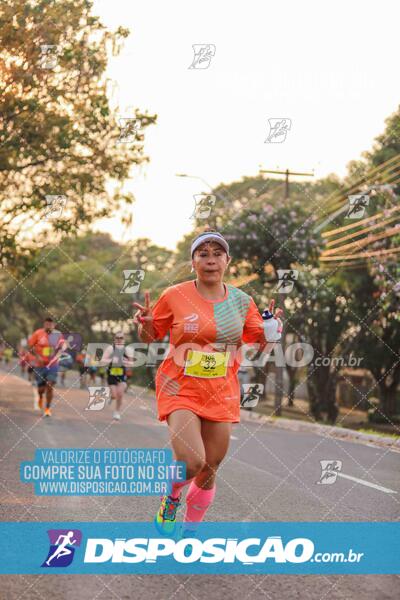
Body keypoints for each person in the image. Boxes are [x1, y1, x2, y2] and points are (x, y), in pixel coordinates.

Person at [133, 231, 283, 536]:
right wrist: (146, 326)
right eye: (203, 253)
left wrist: (273, 329)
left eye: (217, 253)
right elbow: (150, 338)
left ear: (227, 261)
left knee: (210, 468)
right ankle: (172, 497)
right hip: (180, 387)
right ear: (193, 262)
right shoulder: (175, 295)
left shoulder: (242, 302)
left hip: (220, 391)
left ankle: (190, 532)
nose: (210, 259)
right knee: (191, 461)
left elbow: (263, 344)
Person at [28, 317, 67, 417]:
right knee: (41, 389)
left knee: (50, 386)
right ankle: (40, 397)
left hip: (52, 365)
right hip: (40, 365)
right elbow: (31, 347)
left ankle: (47, 408)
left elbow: (62, 348)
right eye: (47, 324)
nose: (49, 326)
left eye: (51, 324)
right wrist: (37, 357)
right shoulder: (37, 334)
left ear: (53, 325)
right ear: (44, 324)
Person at [103, 332, 129, 420]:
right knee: (114, 395)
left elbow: (132, 362)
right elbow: (103, 360)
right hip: (111, 375)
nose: (119, 339)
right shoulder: (110, 349)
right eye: (117, 338)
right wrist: (111, 360)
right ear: (114, 339)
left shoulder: (127, 350)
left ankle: (117, 412)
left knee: (120, 394)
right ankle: (111, 397)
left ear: (124, 340)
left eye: (121, 338)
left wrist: (125, 362)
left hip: (122, 375)